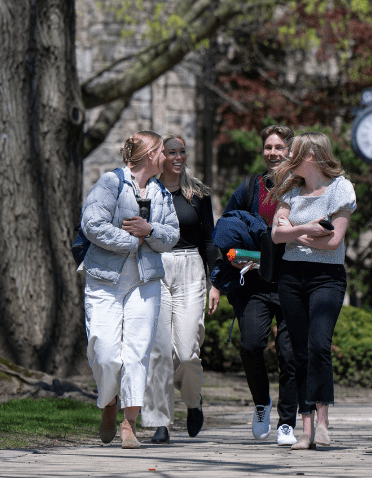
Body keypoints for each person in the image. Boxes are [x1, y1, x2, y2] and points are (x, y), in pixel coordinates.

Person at [82, 131, 180, 448]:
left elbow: (172, 235)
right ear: (150, 154)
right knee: (105, 352)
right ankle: (109, 401)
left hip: (145, 279)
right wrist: (130, 241)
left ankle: (129, 424)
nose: (168, 157)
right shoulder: (111, 183)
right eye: (163, 152)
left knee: (138, 352)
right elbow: (92, 223)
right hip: (104, 278)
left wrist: (149, 229)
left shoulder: (161, 193)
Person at [208, 124, 299, 446]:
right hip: (254, 284)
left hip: (292, 283)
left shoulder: (303, 189)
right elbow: (226, 230)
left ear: (291, 151)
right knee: (250, 346)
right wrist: (228, 262)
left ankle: (287, 421)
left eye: (279, 147)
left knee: (290, 355)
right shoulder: (250, 188)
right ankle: (262, 404)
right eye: (268, 147)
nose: (272, 152)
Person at [270, 132, 356, 450]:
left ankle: (323, 422)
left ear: (311, 156)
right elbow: (277, 236)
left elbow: (333, 241)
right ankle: (304, 427)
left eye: (293, 152)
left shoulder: (340, 189)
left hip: (327, 276)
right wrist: (307, 230)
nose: (287, 156)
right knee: (298, 352)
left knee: (319, 345)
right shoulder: (289, 189)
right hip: (291, 276)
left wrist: (294, 233)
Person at [142, 135, 219, 443]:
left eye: (181, 151)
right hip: (156, 267)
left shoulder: (197, 194)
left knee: (187, 352)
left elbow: (209, 240)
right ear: (160, 156)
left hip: (190, 269)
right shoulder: (147, 191)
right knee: (158, 350)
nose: (177, 156)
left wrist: (215, 282)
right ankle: (160, 421)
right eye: (170, 152)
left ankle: (192, 399)